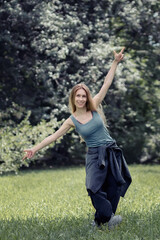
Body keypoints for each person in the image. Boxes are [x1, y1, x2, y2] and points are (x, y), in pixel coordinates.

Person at [23, 47, 132, 230]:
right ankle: (108, 217)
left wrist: (115, 62)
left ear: (86, 97)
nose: (81, 99)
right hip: (94, 155)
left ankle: (100, 222)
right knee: (93, 187)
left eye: (83, 95)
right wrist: (34, 149)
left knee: (112, 187)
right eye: (77, 96)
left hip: (110, 150)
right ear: (73, 99)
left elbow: (106, 83)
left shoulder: (94, 106)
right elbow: (54, 136)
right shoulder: (71, 120)